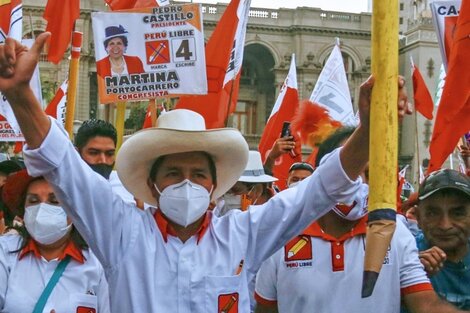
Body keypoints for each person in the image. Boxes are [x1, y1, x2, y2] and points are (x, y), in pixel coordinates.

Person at [0, 33, 405, 312]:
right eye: (173, 173)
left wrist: (370, 131)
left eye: (198, 174)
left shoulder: (243, 234)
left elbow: (320, 189)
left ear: (215, 187)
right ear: (153, 186)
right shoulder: (121, 230)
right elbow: (65, 168)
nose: (187, 183)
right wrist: (21, 97)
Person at [255, 130, 468, 313]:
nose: (362, 183)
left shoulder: (395, 232)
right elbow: (266, 309)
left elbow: (427, 306)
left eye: (372, 173)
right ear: (325, 174)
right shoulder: (282, 234)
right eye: (352, 172)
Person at [0, 170, 109, 312]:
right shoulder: (5, 251)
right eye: (33, 201)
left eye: (55, 201)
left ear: (74, 210)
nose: (42, 208)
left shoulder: (99, 263)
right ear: (24, 210)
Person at [415, 169, 470, 310]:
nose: (445, 225)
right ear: (418, 217)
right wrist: (408, 278)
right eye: (432, 213)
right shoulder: (403, 256)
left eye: (457, 213)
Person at [75, 119, 136, 205]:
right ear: (77, 153)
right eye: (94, 153)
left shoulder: (130, 187)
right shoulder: (61, 188)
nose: (103, 161)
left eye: (109, 154)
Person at [216, 150, 278, 216]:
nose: (227, 196)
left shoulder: (278, 215)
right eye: (225, 192)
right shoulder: (221, 212)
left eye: (235, 190)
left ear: (257, 190)